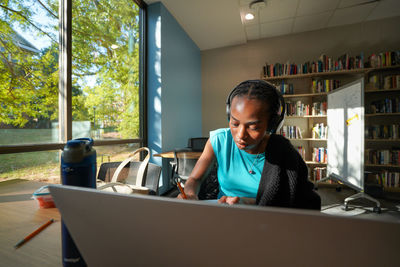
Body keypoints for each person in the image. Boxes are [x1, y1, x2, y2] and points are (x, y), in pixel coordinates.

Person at [178, 79, 320, 210]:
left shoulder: (283, 152)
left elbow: (301, 201)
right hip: (223, 215)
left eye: (253, 127)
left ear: (271, 124)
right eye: (234, 123)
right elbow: (194, 179)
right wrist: (190, 194)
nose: (240, 135)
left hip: (265, 220)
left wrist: (246, 203)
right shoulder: (219, 140)